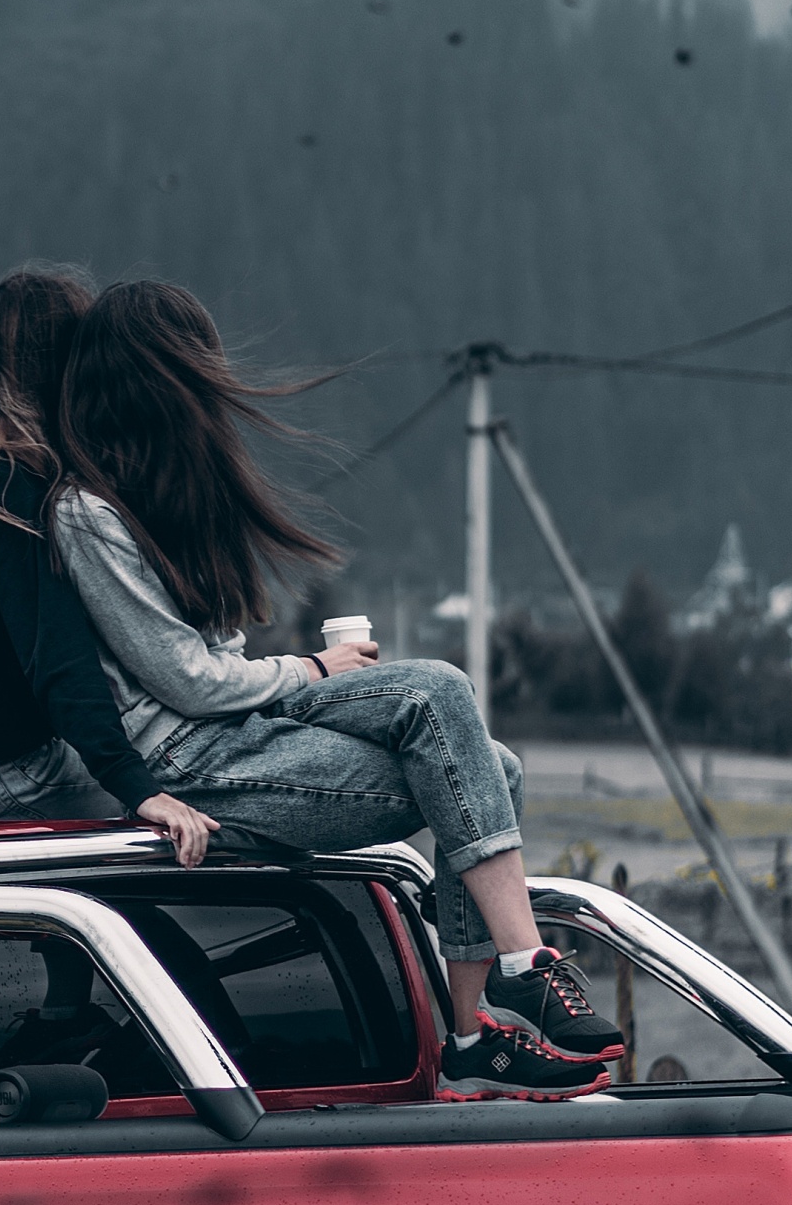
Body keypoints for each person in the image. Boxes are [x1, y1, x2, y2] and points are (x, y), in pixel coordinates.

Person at [54, 279, 623, 1101]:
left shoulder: (167, 491)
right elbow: (180, 678)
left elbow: (213, 660)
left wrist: (291, 675)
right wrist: (314, 671)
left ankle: (480, 1020)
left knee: (468, 736)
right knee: (470, 750)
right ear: (155, 378)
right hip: (187, 753)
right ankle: (514, 972)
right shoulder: (87, 515)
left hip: (236, 717)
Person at [0, 269, 213, 864]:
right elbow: (60, 661)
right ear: (65, 368)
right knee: (199, 787)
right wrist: (142, 791)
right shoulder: (15, 491)